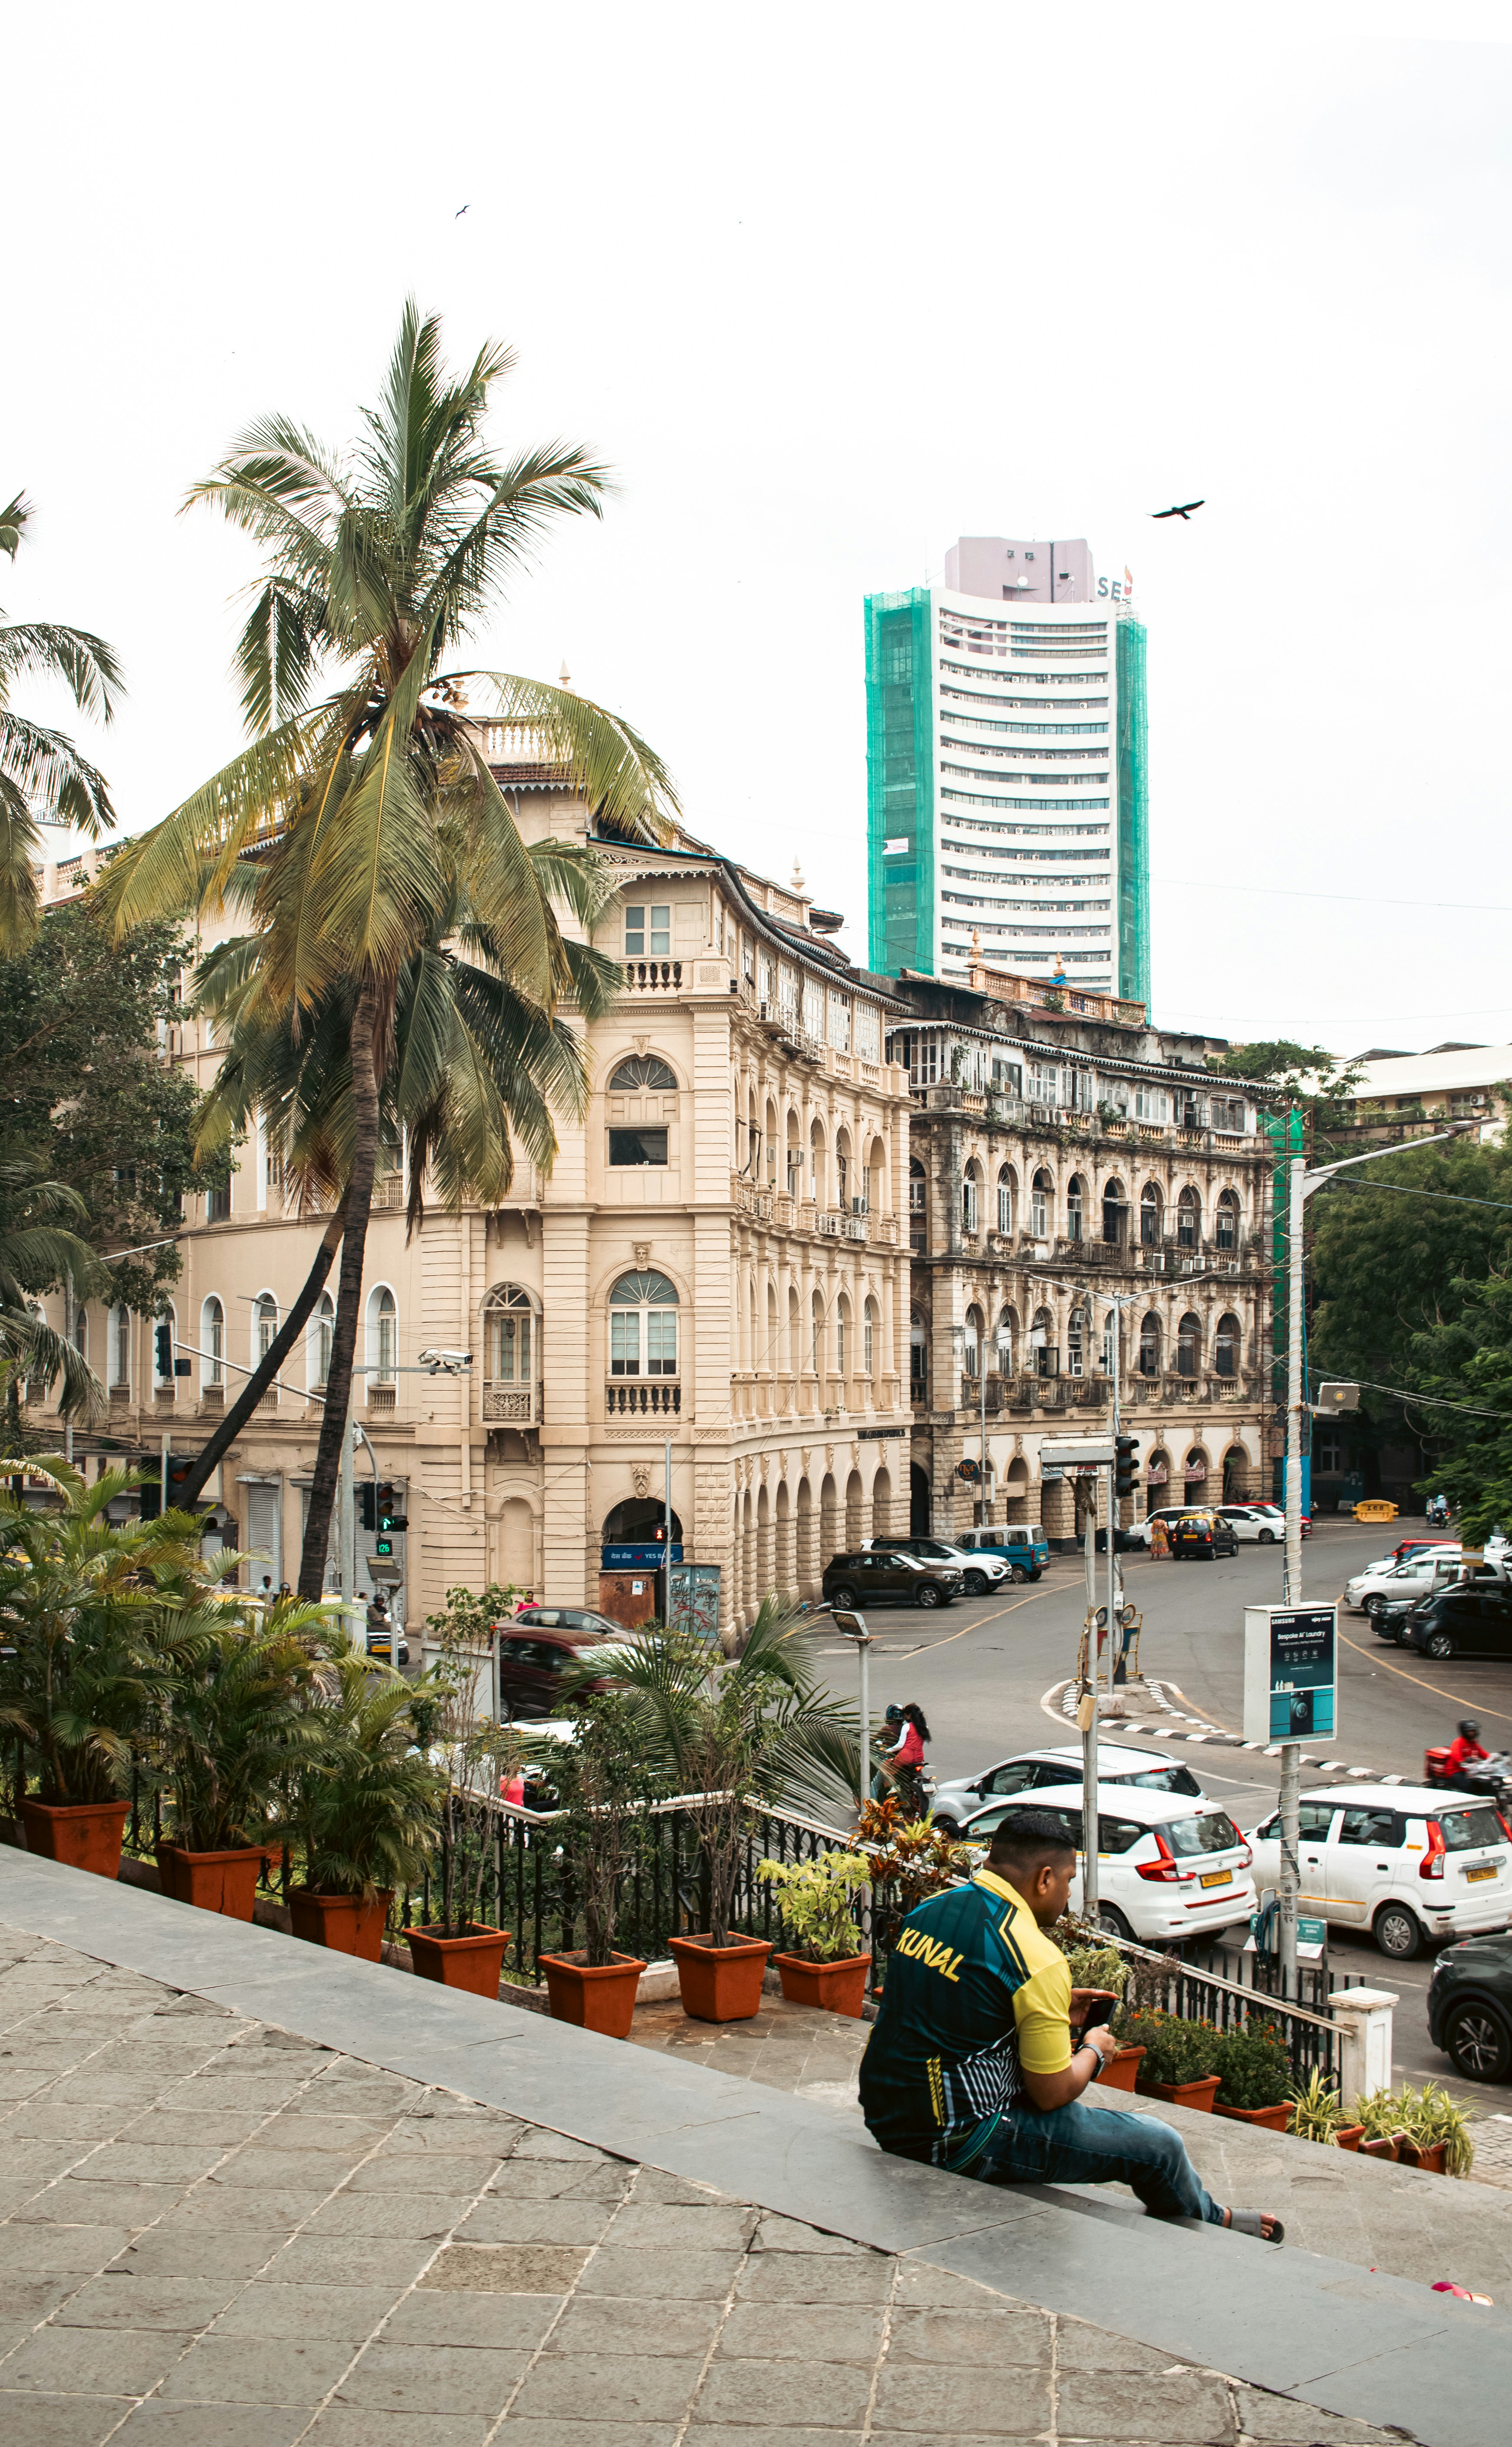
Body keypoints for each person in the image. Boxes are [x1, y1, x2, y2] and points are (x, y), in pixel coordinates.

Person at [858, 1805, 1282, 2242]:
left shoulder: (930, 1911)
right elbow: (1051, 2094)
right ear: (1044, 1879)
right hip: (958, 2141)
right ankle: (1211, 2219)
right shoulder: (1034, 1955)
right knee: (1157, 2146)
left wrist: (1053, 2014)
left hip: (888, 2116)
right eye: (1067, 1882)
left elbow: (952, 2011)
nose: (1067, 1896)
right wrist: (1094, 2051)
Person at [1446, 1719, 1490, 1791]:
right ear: (1464, 1732)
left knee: (1486, 1783)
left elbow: (1485, 1755)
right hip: (1456, 1771)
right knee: (1469, 1787)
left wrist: (1497, 1758)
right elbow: (1457, 1757)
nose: (1474, 1733)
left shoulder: (1474, 1743)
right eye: (1471, 1731)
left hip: (1470, 1771)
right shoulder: (1458, 1742)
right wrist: (1465, 1760)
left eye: (1474, 1730)